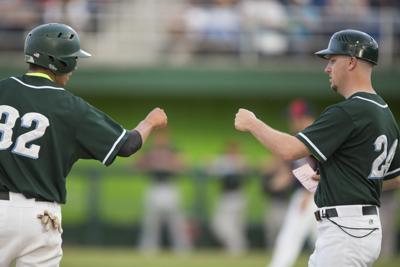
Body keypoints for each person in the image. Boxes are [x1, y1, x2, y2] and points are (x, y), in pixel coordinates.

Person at [0, 23, 167, 267]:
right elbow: (127, 145)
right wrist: (149, 122)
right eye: (73, 59)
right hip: (41, 218)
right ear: (62, 63)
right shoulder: (71, 107)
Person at [235, 29, 400, 266]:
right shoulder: (384, 113)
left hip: (345, 232)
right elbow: (394, 178)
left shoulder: (349, 111)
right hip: (362, 228)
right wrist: (340, 178)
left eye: (333, 60)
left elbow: (289, 150)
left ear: (352, 62)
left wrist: (253, 123)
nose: (327, 68)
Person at [266, 99, 318, 267]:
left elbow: (322, 167)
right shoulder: (301, 138)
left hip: (314, 193)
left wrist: (307, 194)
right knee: (322, 240)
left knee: (290, 236)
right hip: (313, 194)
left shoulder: (316, 134)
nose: (290, 121)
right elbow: (297, 168)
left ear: (302, 117)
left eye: (292, 117)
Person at [135, 130, 191, 254]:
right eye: (158, 138)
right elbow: (136, 165)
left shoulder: (174, 151)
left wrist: (170, 164)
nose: (161, 140)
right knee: (151, 221)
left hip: (170, 188)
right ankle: (148, 249)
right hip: (154, 187)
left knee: (176, 221)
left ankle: (183, 249)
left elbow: (184, 166)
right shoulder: (150, 152)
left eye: (164, 137)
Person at [208, 141, 248, 255]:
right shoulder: (223, 161)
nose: (231, 153)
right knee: (219, 225)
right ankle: (237, 248)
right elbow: (211, 170)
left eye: (233, 151)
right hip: (224, 197)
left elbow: (244, 169)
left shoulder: (241, 161)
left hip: (237, 196)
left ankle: (237, 250)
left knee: (236, 226)